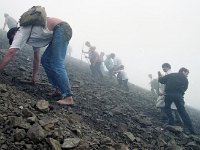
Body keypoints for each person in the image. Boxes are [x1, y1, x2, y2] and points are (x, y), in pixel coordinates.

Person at [0, 16, 74, 106]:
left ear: (14, 34)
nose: (15, 41)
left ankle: (68, 97)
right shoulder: (33, 35)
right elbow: (36, 58)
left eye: (13, 39)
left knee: (56, 62)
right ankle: (58, 89)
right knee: (45, 60)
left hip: (61, 28)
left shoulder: (20, 32)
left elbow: (11, 52)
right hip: (59, 30)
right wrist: (33, 78)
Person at [158, 67, 195, 134]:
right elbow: (185, 88)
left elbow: (161, 80)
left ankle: (171, 121)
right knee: (183, 112)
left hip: (169, 94)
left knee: (166, 107)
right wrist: (180, 93)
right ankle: (191, 130)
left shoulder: (171, 75)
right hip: (179, 95)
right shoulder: (185, 79)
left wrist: (159, 76)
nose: (187, 75)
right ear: (183, 71)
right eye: (187, 73)